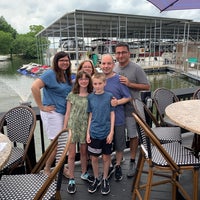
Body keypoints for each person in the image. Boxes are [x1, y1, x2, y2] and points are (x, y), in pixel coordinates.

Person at [31, 51, 72, 176]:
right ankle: (47, 169)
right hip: (53, 115)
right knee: (56, 144)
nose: (65, 62)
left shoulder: (64, 74)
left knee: (62, 144)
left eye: (67, 60)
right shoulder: (50, 73)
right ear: (56, 61)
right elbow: (34, 87)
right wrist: (41, 106)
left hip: (62, 113)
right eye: (62, 60)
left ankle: (60, 167)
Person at [114, 42, 150, 178]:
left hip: (132, 108)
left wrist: (130, 84)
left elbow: (147, 86)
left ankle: (133, 160)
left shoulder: (136, 68)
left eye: (123, 52)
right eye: (118, 52)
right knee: (119, 135)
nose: (121, 55)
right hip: (118, 108)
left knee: (133, 135)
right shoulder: (115, 67)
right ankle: (119, 158)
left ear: (129, 53)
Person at [100, 54, 131, 181]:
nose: (106, 66)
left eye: (109, 63)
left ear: (113, 65)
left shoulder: (119, 79)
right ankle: (108, 166)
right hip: (102, 120)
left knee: (119, 144)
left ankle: (118, 165)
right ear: (100, 65)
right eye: (103, 63)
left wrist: (117, 102)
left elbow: (128, 97)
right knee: (105, 146)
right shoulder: (97, 79)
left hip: (118, 118)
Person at [63, 70, 93, 194]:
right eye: (81, 79)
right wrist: (64, 129)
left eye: (86, 78)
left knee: (83, 153)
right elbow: (68, 113)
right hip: (72, 127)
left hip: (84, 127)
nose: (84, 81)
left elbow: (91, 114)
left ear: (89, 80)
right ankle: (71, 178)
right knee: (70, 155)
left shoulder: (92, 95)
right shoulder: (72, 95)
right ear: (78, 81)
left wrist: (89, 131)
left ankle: (84, 173)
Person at [86, 72, 115, 195]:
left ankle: (104, 179)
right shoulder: (90, 97)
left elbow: (112, 113)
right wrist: (88, 132)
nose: (97, 86)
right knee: (94, 158)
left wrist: (112, 131)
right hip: (94, 133)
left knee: (106, 157)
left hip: (106, 132)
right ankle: (97, 178)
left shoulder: (109, 96)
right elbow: (90, 115)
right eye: (95, 84)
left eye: (100, 83)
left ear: (105, 83)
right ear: (92, 84)